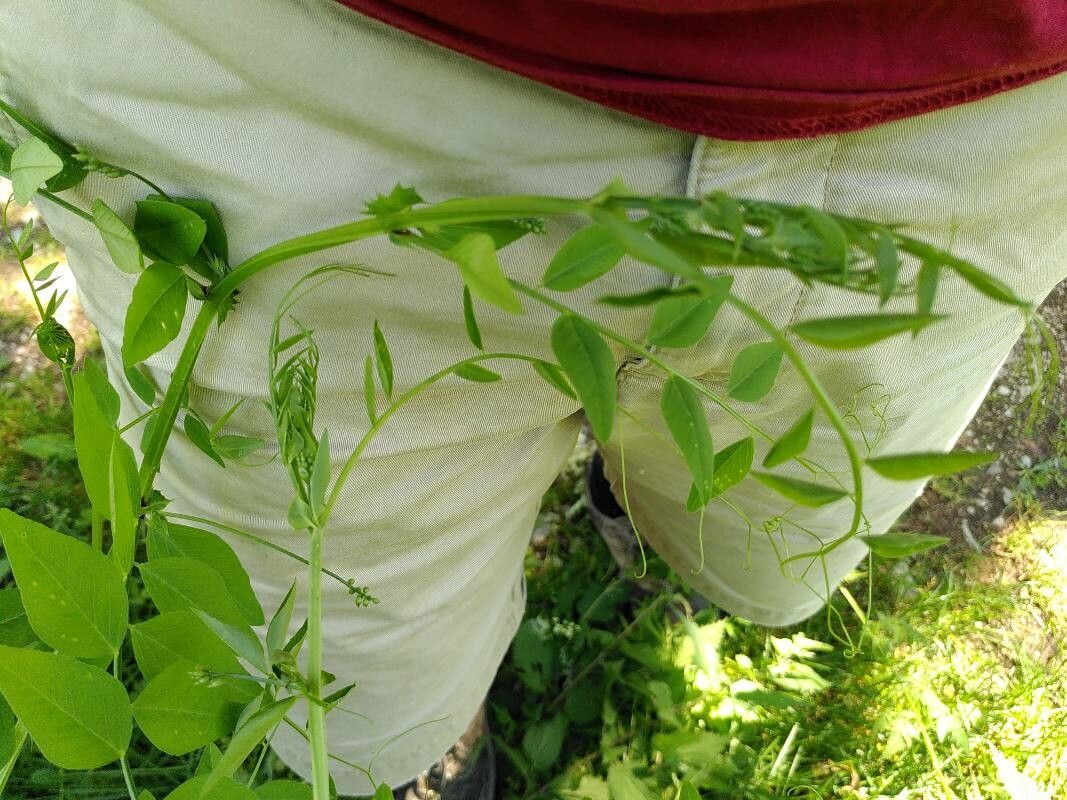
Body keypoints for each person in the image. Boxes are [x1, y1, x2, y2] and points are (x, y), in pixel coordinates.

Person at [2, 1, 1064, 797]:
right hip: (259, 56)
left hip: (974, 99)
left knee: (780, 527)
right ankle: (431, 757)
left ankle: (646, 516)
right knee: (348, 658)